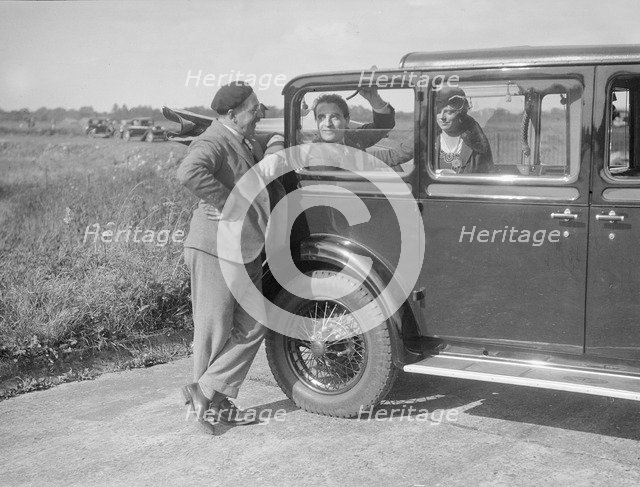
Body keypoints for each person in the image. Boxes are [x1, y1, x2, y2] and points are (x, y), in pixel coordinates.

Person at [177, 81, 281, 434]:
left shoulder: (241, 138)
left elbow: (263, 148)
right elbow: (189, 172)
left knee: (256, 321)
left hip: (244, 247)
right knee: (214, 330)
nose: (259, 115)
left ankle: (206, 392)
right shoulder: (213, 140)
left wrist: (278, 141)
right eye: (254, 110)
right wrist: (230, 203)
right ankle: (209, 410)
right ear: (233, 114)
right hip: (214, 247)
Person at [434, 87, 493, 174]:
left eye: (449, 112)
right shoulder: (428, 141)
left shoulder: (477, 143)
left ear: (461, 113)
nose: (442, 117)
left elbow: (487, 175)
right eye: (438, 111)